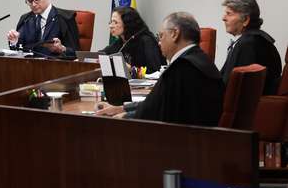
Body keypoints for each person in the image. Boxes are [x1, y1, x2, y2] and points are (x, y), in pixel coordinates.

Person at [96, 12, 225, 126]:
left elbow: (158, 112)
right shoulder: (200, 59)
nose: (158, 42)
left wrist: (125, 117)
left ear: (174, 34)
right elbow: (155, 103)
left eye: (161, 36)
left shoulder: (182, 67)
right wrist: (122, 108)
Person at [219, 0, 282, 95]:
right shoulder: (256, 40)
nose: (223, 18)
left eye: (229, 14)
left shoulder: (247, 44)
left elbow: (233, 87)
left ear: (245, 20)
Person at [7, 0, 79, 57]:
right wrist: (14, 42)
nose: (33, 4)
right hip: (29, 63)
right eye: (30, 1)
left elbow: (76, 53)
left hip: (54, 63)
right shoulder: (25, 19)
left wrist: (62, 49)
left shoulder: (65, 18)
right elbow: (19, 50)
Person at [99, 6, 165, 73]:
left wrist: (132, 69)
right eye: (111, 22)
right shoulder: (121, 41)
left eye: (115, 22)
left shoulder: (146, 41)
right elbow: (101, 54)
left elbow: (156, 71)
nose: (111, 26)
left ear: (127, 23)